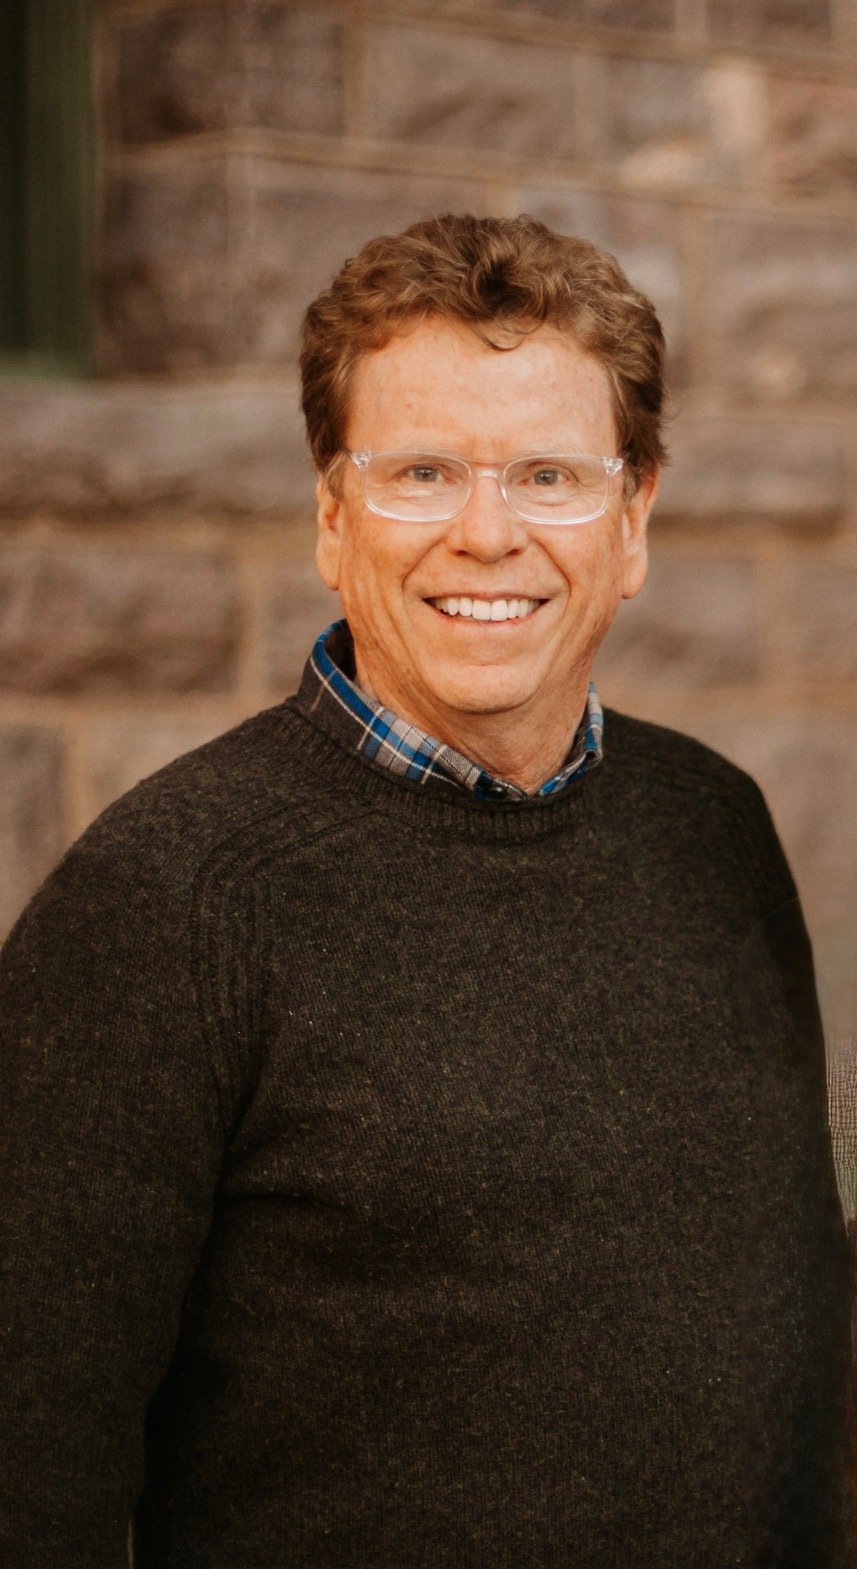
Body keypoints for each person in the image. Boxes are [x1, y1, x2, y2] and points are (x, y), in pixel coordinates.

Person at [0, 214, 851, 1567]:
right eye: (419, 472)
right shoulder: (163, 906)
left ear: (632, 522)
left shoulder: (716, 827)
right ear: (333, 521)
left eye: (549, 475)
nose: (484, 533)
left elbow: (799, 1353)